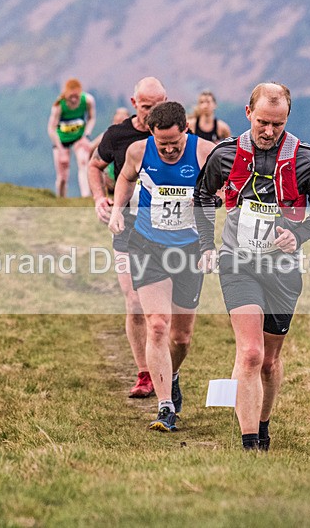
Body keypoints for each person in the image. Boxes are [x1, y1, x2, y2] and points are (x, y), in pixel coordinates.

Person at [194, 82, 310, 450]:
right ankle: (249, 443)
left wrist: (298, 235)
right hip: (238, 263)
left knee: (270, 361)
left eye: (277, 123)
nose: (269, 131)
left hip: (283, 272)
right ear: (247, 114)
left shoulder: (307, 161)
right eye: (262, 123)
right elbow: (203, 196)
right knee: (251, 352)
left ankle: (263, 424)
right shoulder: (226, 154)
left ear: (287, 118)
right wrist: (207, 245)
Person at [109, 101, 215, 431]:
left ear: (186, 130)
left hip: (188, 250)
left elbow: (227, 188)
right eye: (162, 143)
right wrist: (116, 209)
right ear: (152, 135)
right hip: (148, 245)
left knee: (181, 338)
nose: (168, 150)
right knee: (157, 324)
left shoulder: (205, 152)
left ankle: (173, 372)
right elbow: (126, 179)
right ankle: (165, 405)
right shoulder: (139, 152)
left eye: (174, 142)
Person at [88, 77, 167, 399]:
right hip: (128, 225)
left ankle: (166, 368)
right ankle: (145, 373)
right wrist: (99, 199)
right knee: (134, 301)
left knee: (164, 311)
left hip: (167, 228)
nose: (152, 113)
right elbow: (95, 165)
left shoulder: (176, 131)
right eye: (147, 107)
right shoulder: (118, 134)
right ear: (135, 104)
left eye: (158, 105)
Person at [48, 78, 97, 198]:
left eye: (77, 96)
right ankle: (61, 199)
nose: (74, 100)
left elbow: (91, 118)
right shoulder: (59, 105)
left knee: (83, 162)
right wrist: (61, 150)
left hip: (79, 137)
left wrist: (86, 135)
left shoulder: (88, 100)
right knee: (63, 175)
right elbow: (51, 129)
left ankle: (85, 196)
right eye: (71, 97)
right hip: (61, 140)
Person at [90, 107, 130, 194]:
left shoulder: (133, 138)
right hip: (109, 178)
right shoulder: (106, 137)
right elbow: (90, 150)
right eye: (117, 122)